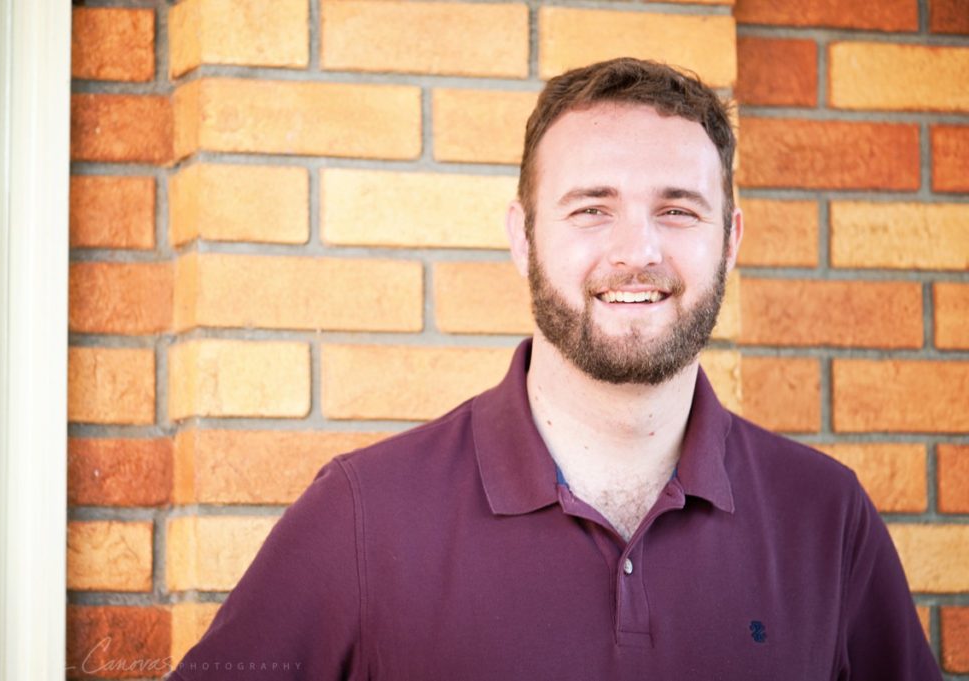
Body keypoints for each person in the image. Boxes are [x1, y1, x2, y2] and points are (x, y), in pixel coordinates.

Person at [167, 58, 940, 680]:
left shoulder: (826, 517)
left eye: (678, 209)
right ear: (523, 237)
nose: (638, 250)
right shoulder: (363, 515)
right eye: (591, 208)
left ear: (730, 238)